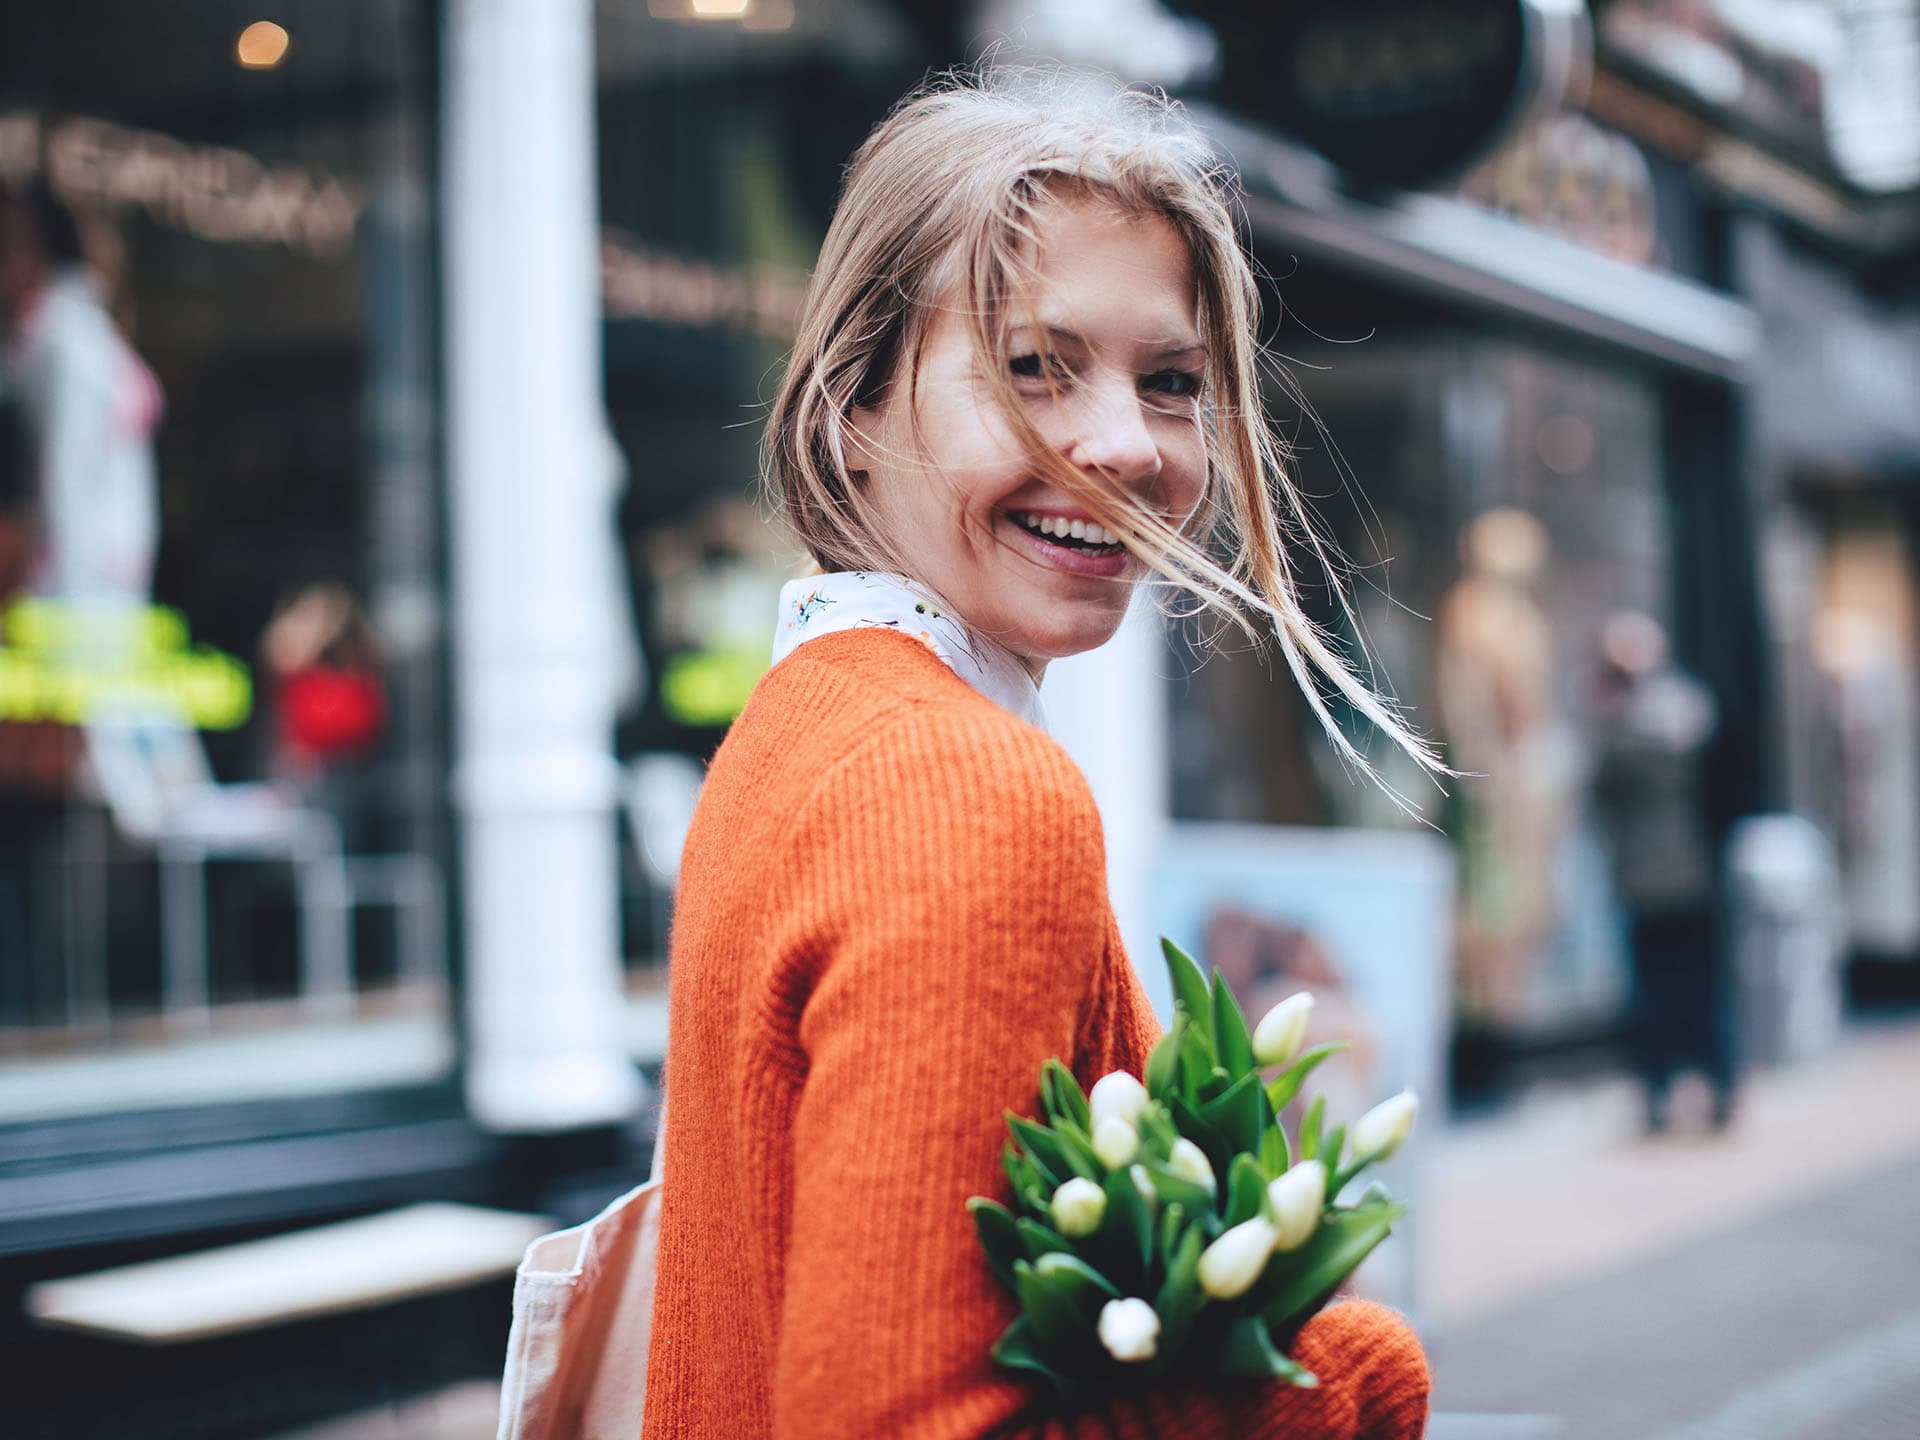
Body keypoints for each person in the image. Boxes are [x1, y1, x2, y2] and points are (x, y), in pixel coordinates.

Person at [646, 69, 1442, 1439]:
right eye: (1034, 365)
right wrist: (1351, 1385)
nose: (1126, 446)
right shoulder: (958, 785)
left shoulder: (807, 726)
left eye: (1174, 380)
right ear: (853, 406)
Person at [1590, 611, 1735, 1132]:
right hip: (1693, 874)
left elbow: (1600, 791)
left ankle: (1662, 1090)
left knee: (1657, 993)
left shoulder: (1622, 726)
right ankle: (1714, 1085)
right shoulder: (1694, 711)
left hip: (1648, 881)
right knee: (1697, 988)